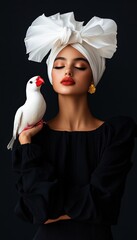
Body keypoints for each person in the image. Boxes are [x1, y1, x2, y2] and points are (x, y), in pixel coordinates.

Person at [11, 12, 137, 240]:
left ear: (93, 78)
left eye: (79, 66)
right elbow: (32, 210)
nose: (68, 72)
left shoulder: (117, 133)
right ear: (51, 75)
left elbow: (102, 204)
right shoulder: (30, 138)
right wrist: (26, 143)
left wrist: (51, 203)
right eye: (59, 66)